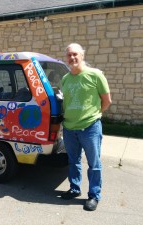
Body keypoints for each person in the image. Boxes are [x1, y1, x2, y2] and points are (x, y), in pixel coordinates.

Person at [60, 43, 112, 211]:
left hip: (90, 128)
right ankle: (75, 189)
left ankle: (93, 195)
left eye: (75, 54)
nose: (72, 58)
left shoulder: (95, 75)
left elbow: (107, 101)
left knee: (94, 164)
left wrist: (94, 116)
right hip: (69, 128)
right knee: (73, 161)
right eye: (69, 55)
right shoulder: (65, 79)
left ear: (82, 55)